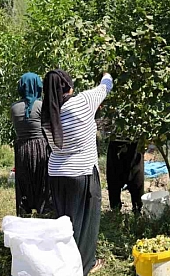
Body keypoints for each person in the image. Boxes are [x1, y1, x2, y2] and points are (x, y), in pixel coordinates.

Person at [42, 70, 113, 275]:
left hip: (56, 172)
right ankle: (83, 266)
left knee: (65, 222)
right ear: (67, 86)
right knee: (86, 222)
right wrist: (106, 72)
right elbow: (105, 86)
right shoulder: (82, 102)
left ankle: (64, 261)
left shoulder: (47, 111)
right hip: (81, 172)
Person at [10, 72, 51, 216]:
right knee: (42, 181)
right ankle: (44, 210)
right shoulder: (42, 105)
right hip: (40, 147)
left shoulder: (14, 107)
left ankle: (25, 210)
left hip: (22, 148)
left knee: (24, 180)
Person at [106, 136, 144, 213]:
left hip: (135, 142)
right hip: (115, 142)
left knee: (137, 181)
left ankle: (138, 212)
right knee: (114, 182)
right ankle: (115, 212)